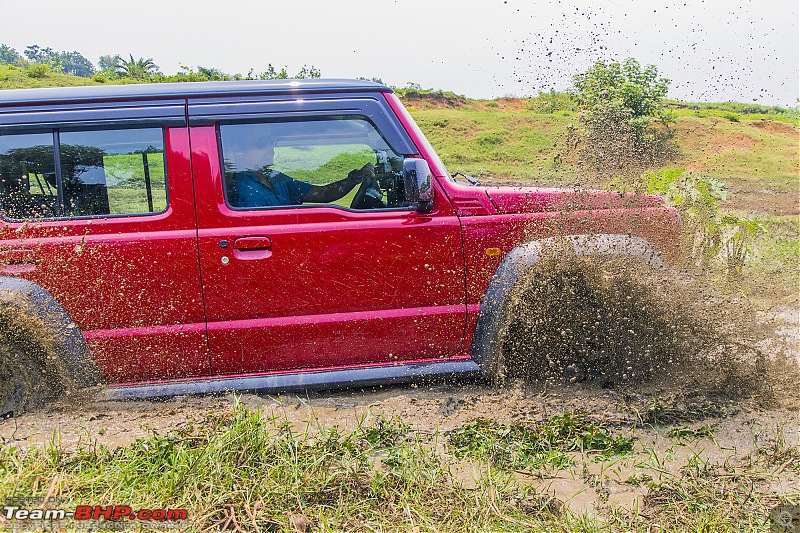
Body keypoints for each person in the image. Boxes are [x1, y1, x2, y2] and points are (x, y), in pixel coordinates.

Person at [230, 137, 375, 207]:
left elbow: (324, 193)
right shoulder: (245, 186)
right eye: (260, 143)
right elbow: (258, 227)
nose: (269, 147)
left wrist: (355, 178)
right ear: (240, 153)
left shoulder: (276, 178)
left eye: (270, 143)